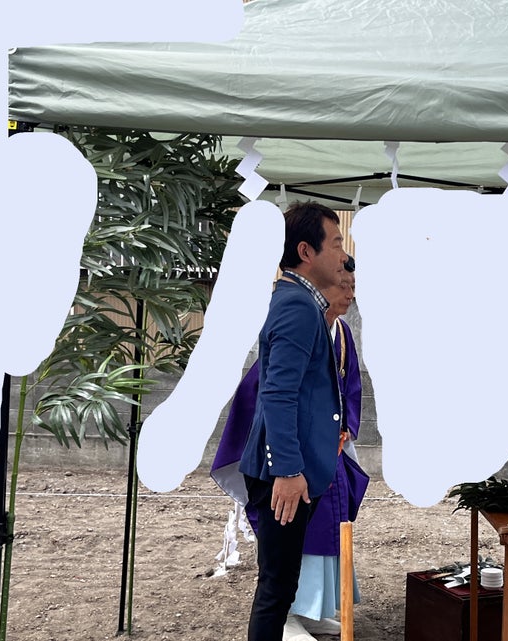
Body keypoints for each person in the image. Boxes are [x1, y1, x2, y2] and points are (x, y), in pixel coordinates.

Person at [212, 256, 368, 641]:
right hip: (291, 461)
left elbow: (348, 389)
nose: (349, 294)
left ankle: (315, 608)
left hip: (325, 456)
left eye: (353, 287)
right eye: (343, 285)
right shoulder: (298, 315)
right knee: (281, 570)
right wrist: (285, 466)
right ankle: (291, 616)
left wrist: (344, 429)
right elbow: (272, 394)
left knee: (323, 535)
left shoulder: (340, 333)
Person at [237, 201, 348, 641]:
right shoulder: (298, 306)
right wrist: (286, 470)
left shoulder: (300, 302)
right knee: (276, 589)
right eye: (336, 243)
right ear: (306, 251)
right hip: (282, 474)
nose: (344, 256)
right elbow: (277, 393)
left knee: (280, 585)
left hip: (289, 468)